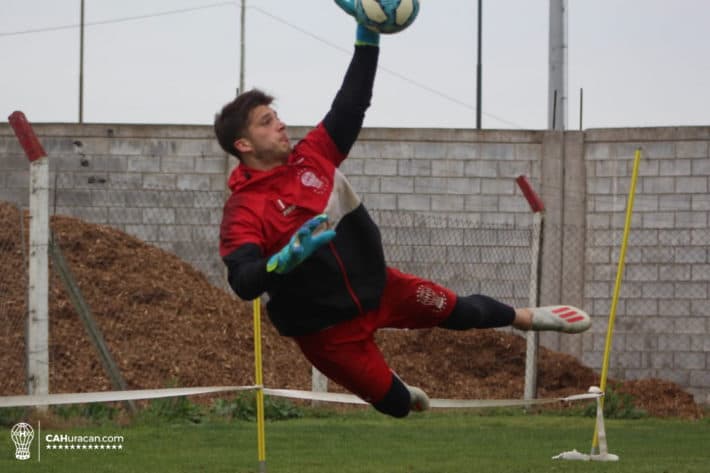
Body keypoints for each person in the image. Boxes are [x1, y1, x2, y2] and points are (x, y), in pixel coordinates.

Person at [215, 1, 591, 418]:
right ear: (243, 146)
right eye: (267, 121)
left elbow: (352, 104)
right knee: (398, 406)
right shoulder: (243, 211)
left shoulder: (314, 156)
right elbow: (243, 281)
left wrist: (367, 35)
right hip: (328, 333)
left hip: (383, 289)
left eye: (277, 115)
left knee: (461, 311)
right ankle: (393, 386)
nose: (281, 124)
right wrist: (281, 262)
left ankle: (527, 317)